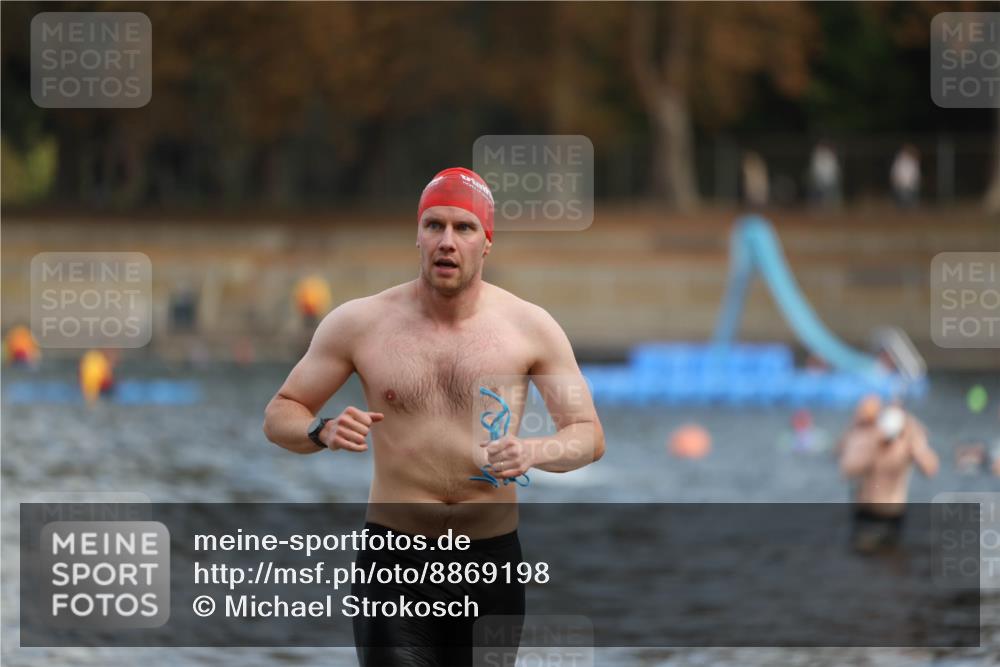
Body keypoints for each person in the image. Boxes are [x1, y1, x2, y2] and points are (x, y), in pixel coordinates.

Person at [263, 167, 605, 666]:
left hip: (490, 566)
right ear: (417, 236)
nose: (447, 241)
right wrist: (322, 430)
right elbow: (279, 414)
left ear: (486, 242)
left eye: (463, 228)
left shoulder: (531, 329)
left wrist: (533, 450)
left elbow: (589, 436)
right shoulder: (361, 323)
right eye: (434, 226)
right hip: (394, 562)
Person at [838, 397, 939, 552]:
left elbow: (931, 470)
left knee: (891, 563)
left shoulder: (907, 442)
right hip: (864, 515)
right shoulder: (865, 436)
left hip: (893, 516)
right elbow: (846, 471)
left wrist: (915, 442)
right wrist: (874, 447)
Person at [890, 144, 920, 208]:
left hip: (912, 185)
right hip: (902, 185)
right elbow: (896, 172)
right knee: (903, 203)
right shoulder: (900, 160)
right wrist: (897, 182)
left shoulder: (913, 161)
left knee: (911, 203)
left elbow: (915, 173)